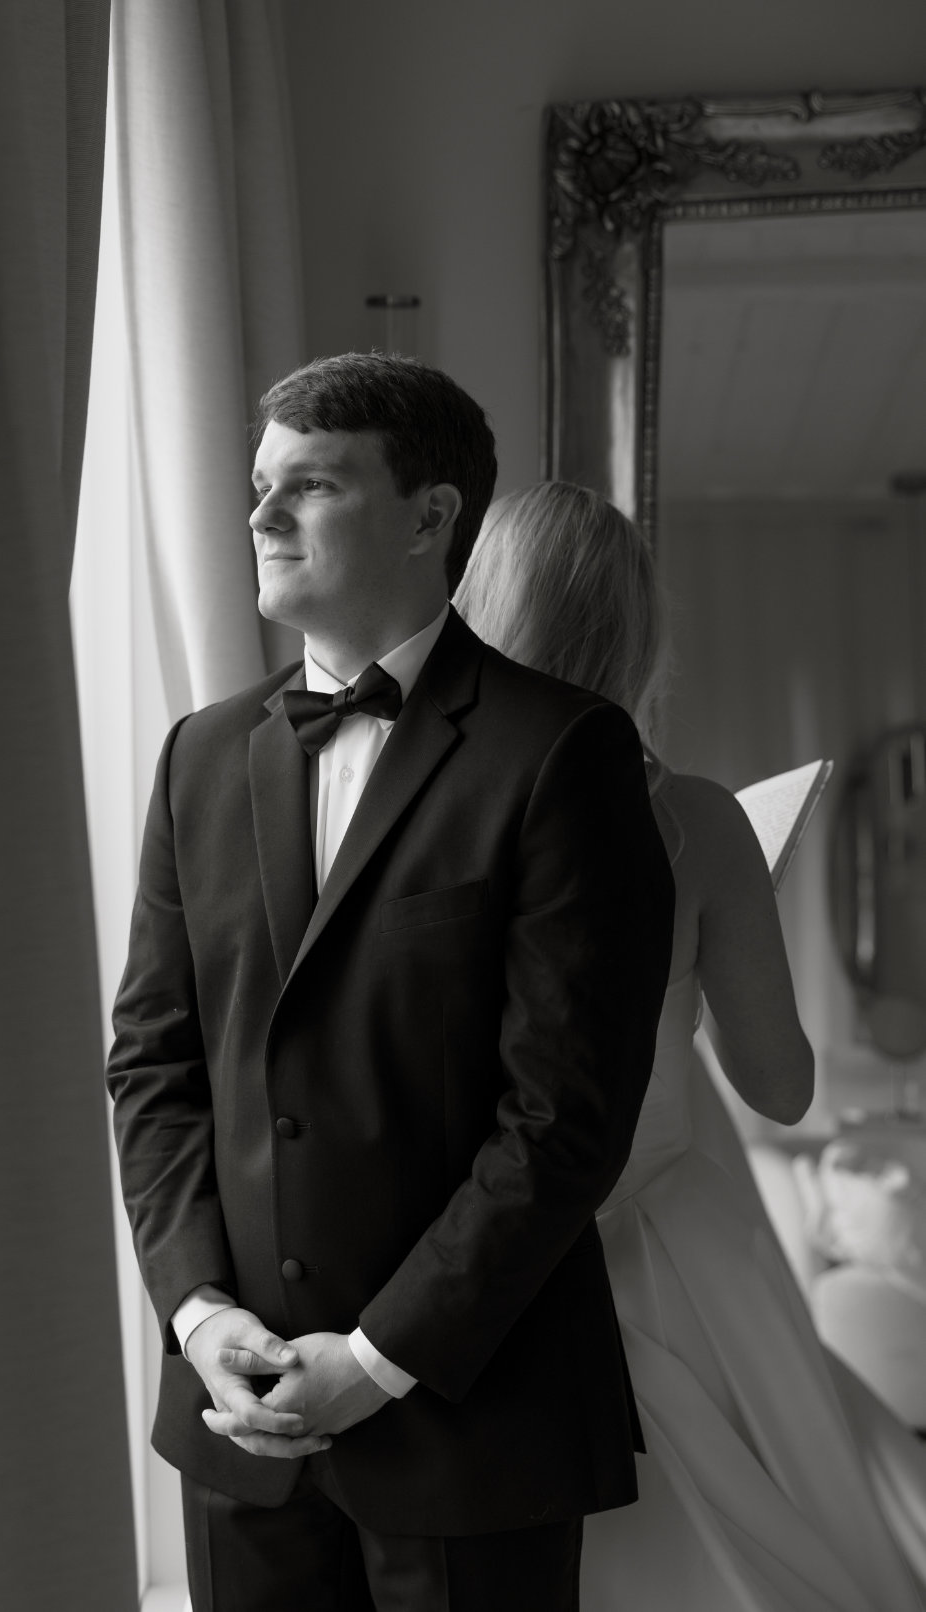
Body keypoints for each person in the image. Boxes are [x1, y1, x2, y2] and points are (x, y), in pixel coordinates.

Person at [106, 357, 674, 1611]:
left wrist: (375, 1359)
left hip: (473, 1421)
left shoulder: (562, 751)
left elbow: (562, 1118)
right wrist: (198, 1314)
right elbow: (152, 1064)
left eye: (309, 485)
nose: (260, 515)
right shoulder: (198, 755)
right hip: (239, 1423)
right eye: (259, 485)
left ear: (430, 517)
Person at [455, 479, 926, 1612]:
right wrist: (715, 951)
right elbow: (780, 1088)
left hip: (473, 1252)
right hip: (663, 1253)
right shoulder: (697, 822)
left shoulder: (420, 816)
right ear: (638, 639)